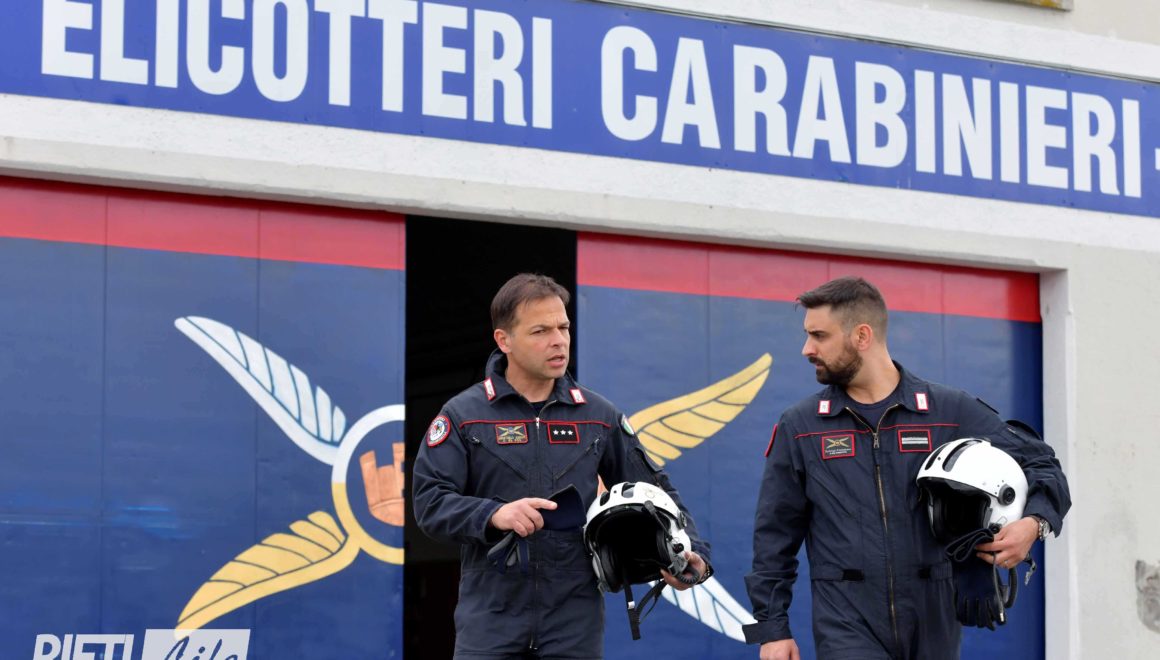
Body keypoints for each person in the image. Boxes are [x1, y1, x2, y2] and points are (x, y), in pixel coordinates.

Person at [744, 276, 1070, 660]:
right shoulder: (801, 426)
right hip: (846, 623)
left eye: (819, 336)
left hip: (934, 619)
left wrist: (1033, 525)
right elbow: (775, 535)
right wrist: (772, 630)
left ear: (862, 336)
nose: (807, 349)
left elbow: (1041, 464)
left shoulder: (947, 411)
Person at [413, 273, 712, 660]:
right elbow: (430, 501)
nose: (558, 340)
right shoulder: (463, 415)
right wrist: (494, 514)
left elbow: (658, 491)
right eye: (541, 331)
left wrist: (691, 553)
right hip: (491, 618)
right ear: (504, 340)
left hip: (574, 620)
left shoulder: (598, 415)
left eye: (563, 327)